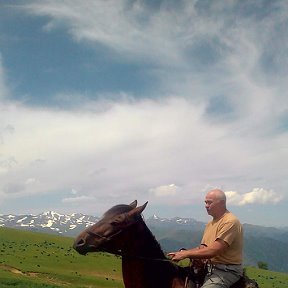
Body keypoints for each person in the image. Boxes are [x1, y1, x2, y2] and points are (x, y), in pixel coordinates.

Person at [167, 189, 243, 288]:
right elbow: (203, 248)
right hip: (209, 267)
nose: (206, 205)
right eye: (205, 202)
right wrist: (181, 253)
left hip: (226, 270)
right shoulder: (210, 223)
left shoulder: (230, 222)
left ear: (222, 203)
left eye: (209, 202)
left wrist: (186, 254)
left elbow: (214, 250)